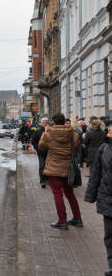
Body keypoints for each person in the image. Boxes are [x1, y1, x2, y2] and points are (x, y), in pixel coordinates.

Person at [37, 113, 82, 229]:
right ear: (64, 121)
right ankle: (77, 218)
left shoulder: (47, 134)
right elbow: (78, 149)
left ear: (53, 122)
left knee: (58, 194)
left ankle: (62, 221)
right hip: (68, 168)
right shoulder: (73, 134)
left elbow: (41, 147)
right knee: (70, 193)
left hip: (54, 168)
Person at [85, 127, 112, 276]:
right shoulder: (104, 147)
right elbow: (95, 173)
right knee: (109, 236)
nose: (108, 128)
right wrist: (91, 195)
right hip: (107, 199)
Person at [31, 118, 49, 188]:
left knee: (48, 166)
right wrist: (37, 148)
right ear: (41, 123)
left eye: (46, 122)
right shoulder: (37, 131)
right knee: (42, 165)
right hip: (41, 152)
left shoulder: (50, 131)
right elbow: (33, 141)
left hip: (49, 152)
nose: (45, 123)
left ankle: (47, 179)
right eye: (44, 122)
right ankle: (42, 181)